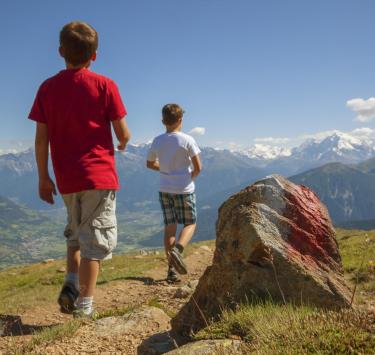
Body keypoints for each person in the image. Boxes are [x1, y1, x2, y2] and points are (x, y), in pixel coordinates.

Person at [28, 21, 131, 318]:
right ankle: (84, 306)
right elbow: (123, 133)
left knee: (75, 233)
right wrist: (123, 142)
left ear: (61, 51)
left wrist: (43, 177)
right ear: (95, 55)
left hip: (66, 178)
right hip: (99, 176)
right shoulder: (105, 85)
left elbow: (41, 139)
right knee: (95, 241)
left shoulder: (46, 88)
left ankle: (71, 283)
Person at [147, 104, 202, 283]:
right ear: (181, 120)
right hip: (184, 188)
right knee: (190, 223)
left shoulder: (157, 140)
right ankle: (178, 250)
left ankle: (171, 271)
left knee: (170, 227)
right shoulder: (187, 140)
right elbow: (198, 167)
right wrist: (189, 177)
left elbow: (149, 163)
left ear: (163, 121)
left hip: (165, 188)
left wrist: (166, 170)